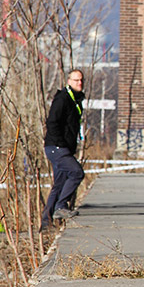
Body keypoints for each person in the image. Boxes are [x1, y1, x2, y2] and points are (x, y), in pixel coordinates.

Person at [41, 69, 86, 229]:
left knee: (59, 184)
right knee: (77, 173)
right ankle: (61, 207)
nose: (79, 83)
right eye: (76, 80)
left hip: (61, 147)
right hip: (56, 147)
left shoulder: (75, 100)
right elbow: (52, 122)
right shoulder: (63, 99)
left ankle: (45, 224)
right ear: (68, 81)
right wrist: (61, 143)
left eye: (81, 80)